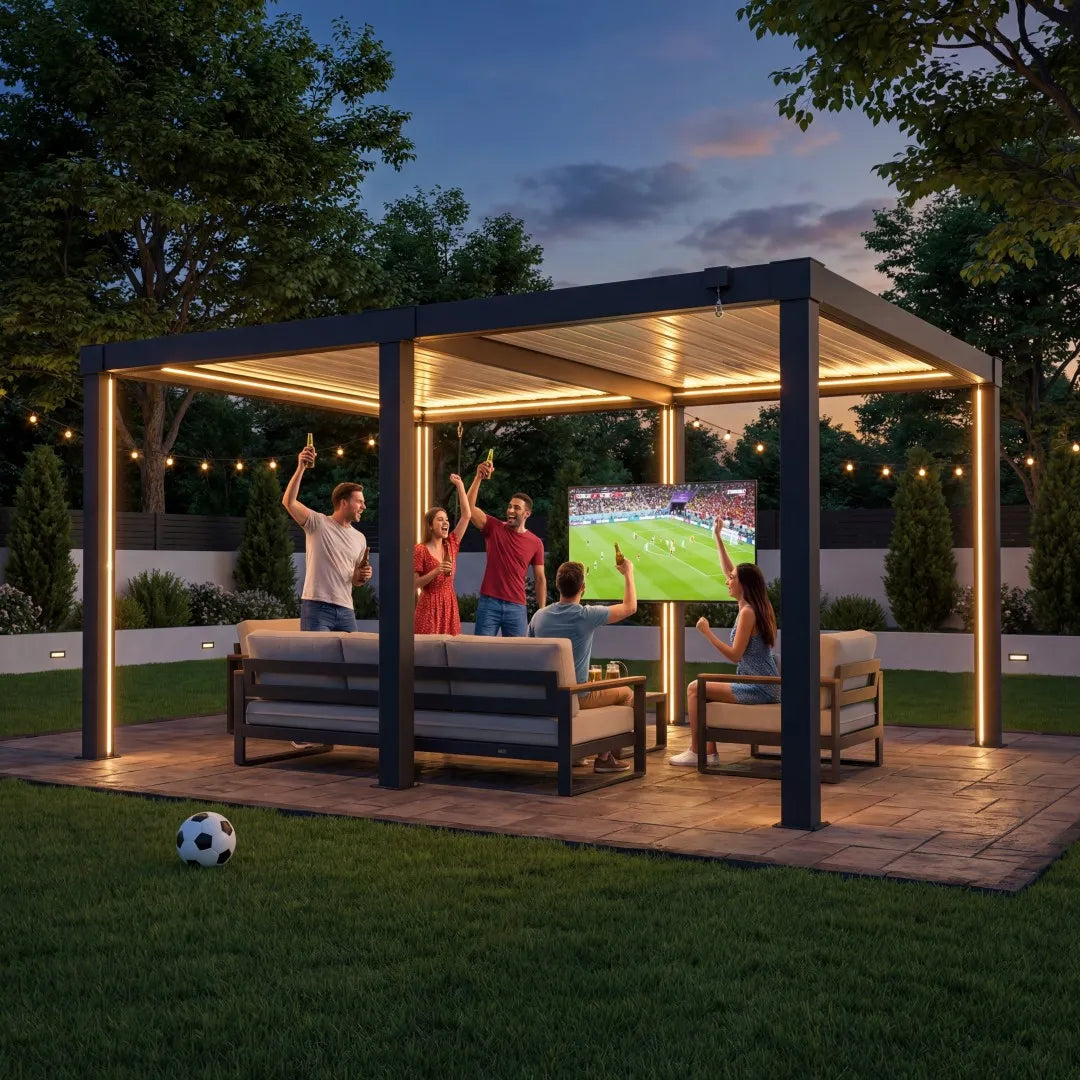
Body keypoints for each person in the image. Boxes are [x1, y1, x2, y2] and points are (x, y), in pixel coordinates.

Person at [670, 517, 779, 767]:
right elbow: (729, 570)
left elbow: (735, 655)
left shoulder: (748, 613)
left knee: (695, 688)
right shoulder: (754, 604)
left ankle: (698, 752)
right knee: (702, 688)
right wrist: (717, 537)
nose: (727, 581)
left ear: (743, 585)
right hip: (759, 682)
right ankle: (708, 753)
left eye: (732, 580)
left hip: (759, 687)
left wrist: (707, 633)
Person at [529, 557, 637, 774]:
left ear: (557, 585)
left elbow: (530, 653)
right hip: (577, 695)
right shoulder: (585, 615)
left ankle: (577, 753)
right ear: (583, 588)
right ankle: (604, 757)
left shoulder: (539, 617)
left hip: (546, 696)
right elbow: (630, 607)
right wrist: (628, 573)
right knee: (626, 693)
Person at [282, 442, 372, 632]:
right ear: (344, 502)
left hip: (346, 610)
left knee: (354, 659)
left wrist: (361, 576)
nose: (364, 507)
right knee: (319, 660)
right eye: (359, 502)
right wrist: (301, 467)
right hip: (317, 607)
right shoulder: (318, 523)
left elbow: (354, 580)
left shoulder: (360, 538)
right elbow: (288, 502)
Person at [467, 459, 546, 636]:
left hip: (517, 607)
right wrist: (478, 477)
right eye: (509, 506)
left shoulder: (535, 543)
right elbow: (469, 509)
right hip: (489, 604)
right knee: (480, 654)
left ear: (527, 514)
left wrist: (541, 612)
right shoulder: (494, 528)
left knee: (517, 658)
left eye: (516, 508)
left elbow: (540, 579)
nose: (510, 510)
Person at [414, 474, 471, 635]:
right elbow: (413, 584)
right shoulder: (420, 549)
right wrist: (436, 571)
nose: (445, 522)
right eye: (440, 520)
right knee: (427, 653)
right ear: (430, 526)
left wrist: (460, 485)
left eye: (446, 519)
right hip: (428, 606)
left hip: (449, 604)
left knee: (448, 653)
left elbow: (467, 515)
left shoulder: (451, 544)